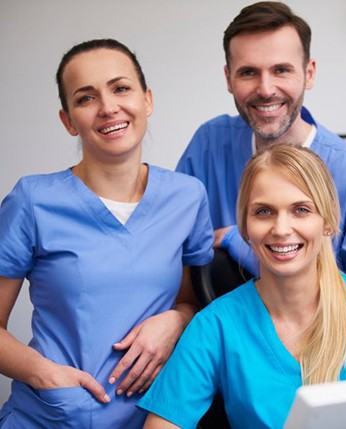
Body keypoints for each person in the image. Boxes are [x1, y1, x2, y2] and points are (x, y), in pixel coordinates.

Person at [138, 144, 346, 429]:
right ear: (246, 227)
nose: (281, 228)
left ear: (327, 221)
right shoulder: (217, 324)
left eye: (301, 210)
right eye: (264, 212)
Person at [0, 39, 214, 428]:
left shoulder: (187, 197)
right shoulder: (32, 200)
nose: (108, 107)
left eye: (121, 88)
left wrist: (177, 321)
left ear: (147, 100)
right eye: (86, 98)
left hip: (154, 419)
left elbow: (191, 301)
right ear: (68, 120)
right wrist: (45, 376)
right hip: (53, 417)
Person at [176, 1, 346, 318]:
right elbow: (171, 257)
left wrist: (237, 242)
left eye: (281, 70)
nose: (266, 90)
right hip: (226, 349)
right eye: (249, 72)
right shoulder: (209, 145)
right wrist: (177, 316)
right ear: (228, 78)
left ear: (309, 73)